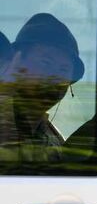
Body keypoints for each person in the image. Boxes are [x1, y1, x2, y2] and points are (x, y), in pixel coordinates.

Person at [0, 13, 85, 170]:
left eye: (64, 70)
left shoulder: (53, 137)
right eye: (46, 63)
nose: (55, 77)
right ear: (17, 61)